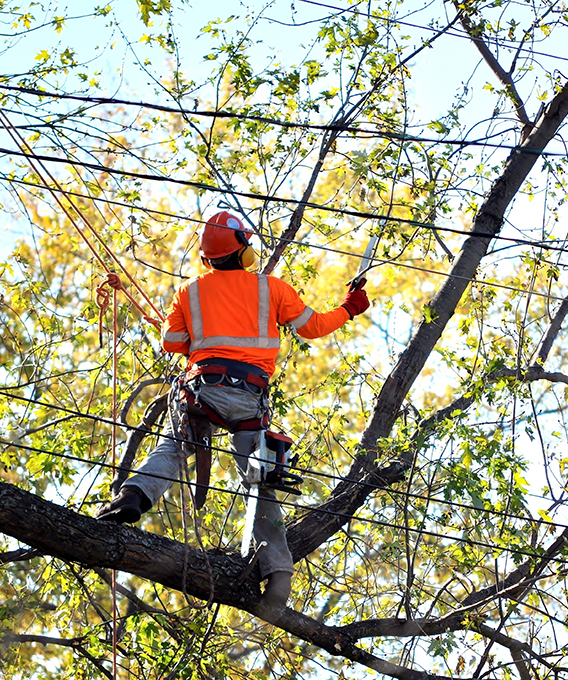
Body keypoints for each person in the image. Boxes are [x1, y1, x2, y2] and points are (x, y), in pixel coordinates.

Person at [97, 210, 370, 609]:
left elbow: (172, 343)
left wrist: (200, 336)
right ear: (244, 251)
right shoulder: (271, 288)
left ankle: (133, 497)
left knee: (174, 447)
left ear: (207, 258)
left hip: (201, 389)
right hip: (248, 395)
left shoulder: (189, 291)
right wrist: (349, 307)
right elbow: (313, 327)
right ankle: (277, 575)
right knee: (258, 477)